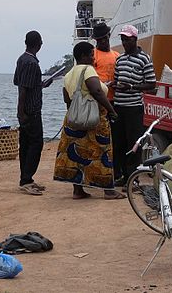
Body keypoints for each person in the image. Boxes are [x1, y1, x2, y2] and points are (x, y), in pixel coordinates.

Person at [53, 42, 126, 200]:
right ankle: (108, 191)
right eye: (91, 54)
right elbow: (97, 91)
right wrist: (112, 111)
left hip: (74, 119)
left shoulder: (69, 74)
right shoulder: (87, 70)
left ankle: (78, 191)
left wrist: (76, 115)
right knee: (103, 152)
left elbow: (67, 98)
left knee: (75, 155)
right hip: (94, 118)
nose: (94, 58)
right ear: (83, 56)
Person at [111, 25, 156, 186]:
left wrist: (130, 87)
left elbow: (151, 83)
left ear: (135, 39)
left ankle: (133, 178)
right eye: (122, 39)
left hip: (134, 107)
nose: (124, 43)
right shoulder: (120, 59)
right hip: (119, 107)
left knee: (134, 144)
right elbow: (116, 79)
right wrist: (114, 85)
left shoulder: (144, 58)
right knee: (119, 143)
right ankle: (123, 175)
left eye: (127, 40)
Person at [13, 30, 52, 196]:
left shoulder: (22, 59)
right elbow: (23, 89)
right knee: (36, 144)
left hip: (27, 110)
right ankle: (26, 178)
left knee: (26, 145)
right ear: (39, 44)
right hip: (31, 111)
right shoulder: (31, 63)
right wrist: (21, 112)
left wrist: (41, 84)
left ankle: (26, 179)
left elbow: (20, 83)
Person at [92, 22, 119, 102]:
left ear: (109, 35)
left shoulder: (117, 55)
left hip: (114, 99)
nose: (103, 41)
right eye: (99, 39)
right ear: (96, 40)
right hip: (98, 100)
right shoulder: (92, 56)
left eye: (104, 37)